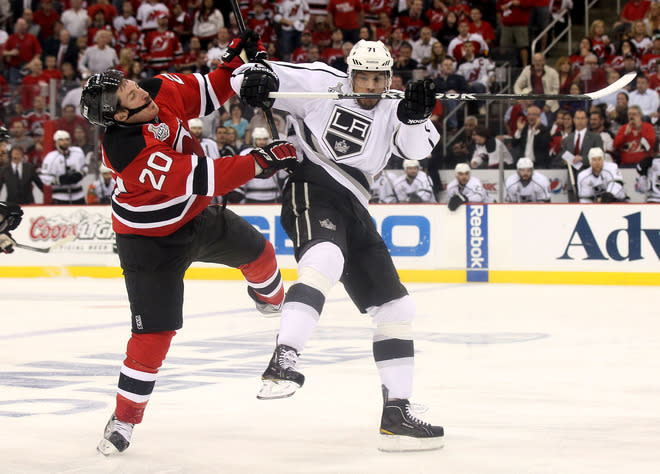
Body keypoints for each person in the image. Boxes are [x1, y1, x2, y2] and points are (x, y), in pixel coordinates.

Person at [78, 32, 299, 456]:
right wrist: (263, 159)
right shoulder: (124, 150)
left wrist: (236, 63)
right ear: (120, 116)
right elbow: (203, 177)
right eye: (127, 91)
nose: (137, 86)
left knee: (262, 255)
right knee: (155, 336)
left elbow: (214, 89)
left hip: (195, 216)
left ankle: (269, 300)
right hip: (149, 243)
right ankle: (124, 417)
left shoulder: (160, 89)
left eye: (129, 82)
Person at [231, 39, 444, 451]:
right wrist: (254, 82)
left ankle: (396, 413)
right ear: (351, 73)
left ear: (388, 77)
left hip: (357, 205)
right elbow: (249, 76)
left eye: (378, 77)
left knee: (396, 307)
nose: (369, 84)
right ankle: (284, 359)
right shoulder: (320, 83)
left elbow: (419, 149)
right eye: (363, 75)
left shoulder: (396, 106)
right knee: (324, 258)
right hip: (313, 183)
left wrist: (417, 116)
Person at [39, 130, 87, 204]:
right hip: (60, 197)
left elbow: (85, 167)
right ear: (56, 142)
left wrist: (80, 175)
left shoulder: (78, 152)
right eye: (61, 140)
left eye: (67, 139)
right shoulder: (50, 157)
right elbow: (44, 176)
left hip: (78, 195)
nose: (65, 142)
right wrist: (59, 180)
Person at [239, 127, 285, 203]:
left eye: (264, 139)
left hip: (273, 196)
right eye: (259, 139)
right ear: (254, 140)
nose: (262, 142)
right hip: (251, 196)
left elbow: (281, 174)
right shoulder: (246, 153)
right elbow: (241, 175)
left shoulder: (273, 153)